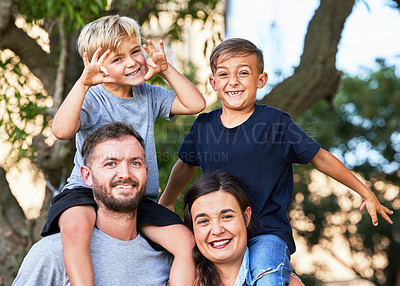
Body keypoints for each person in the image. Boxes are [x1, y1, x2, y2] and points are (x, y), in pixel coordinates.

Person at [159, 38, 394, 285]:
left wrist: (365, 192)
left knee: (268, 279)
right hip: (219, 234)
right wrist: (166, 201)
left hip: (266, 233)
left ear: (261, 80)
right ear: (213, 82)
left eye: (243, 73)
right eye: (224, 74)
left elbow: (320, 157)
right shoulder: (204, 126)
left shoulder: (275, 124)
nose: (233, 81)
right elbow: (185, 165)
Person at [43, 15, 205, 286]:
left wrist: (165, 69)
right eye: (118, 59)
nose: (132, 62)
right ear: (98, 67)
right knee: (74, 228)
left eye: (135, 51)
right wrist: (83, 84)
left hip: (137, 197)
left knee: (187, 243)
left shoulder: (149, 95)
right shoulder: (93, 98)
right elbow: (61, 130)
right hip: (87, 191)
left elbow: (195, 103)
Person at [13, 122, 180, 285]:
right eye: (110, 164)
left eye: (135, 163)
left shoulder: (166, 257)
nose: (125, 174)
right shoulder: (52, 254)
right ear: (87, 176)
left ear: (146, 172)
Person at [183, 171, 304, 286]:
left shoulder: (280, 281)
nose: (217, 230)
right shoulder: (180, 279)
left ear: (246, 217)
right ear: (192, 228)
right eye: (203, 221)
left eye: (226, 217)